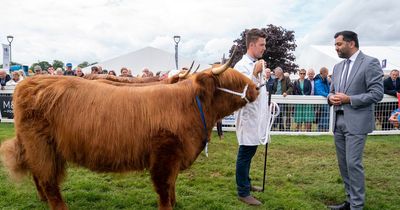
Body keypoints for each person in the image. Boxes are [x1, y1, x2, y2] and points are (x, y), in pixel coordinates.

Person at [327, 31, 384, 210]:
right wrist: (330, 98)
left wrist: (349, 99)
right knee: (344, 165)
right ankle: (349, 200)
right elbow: (331, 91)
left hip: (357, 122)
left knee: (353, 163)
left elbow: (377, 94)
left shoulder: (370, 63)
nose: (336, 48)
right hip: (339, 122)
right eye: (335, 45)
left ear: (351, 43)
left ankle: (357, 206)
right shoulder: (337, 67)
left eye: (339, 44)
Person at [233, 28, 268, 206]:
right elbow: (241, 93)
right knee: (245, 153)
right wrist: (254, 73)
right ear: (252, 45)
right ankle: (243, 191)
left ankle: (246, 182)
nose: (264, 48)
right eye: (261, 45)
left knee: (251, 151)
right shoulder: (240, 66)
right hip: (247, 116)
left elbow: (259, 88)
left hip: (257, 116)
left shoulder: (257, 62)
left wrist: (263, 76)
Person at [272, 67, 293, 131]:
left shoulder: (286, 79)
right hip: (276, 99)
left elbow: (291, 87)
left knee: (281, 112)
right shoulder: (275, 80)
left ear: (280, 72)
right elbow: (273, 89)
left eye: (275, 72)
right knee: (277, 113)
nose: (275, 73)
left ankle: (282, 128)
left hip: (284, 99)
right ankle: (279, 127)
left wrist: (286, 93)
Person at [314, 67, 331, 131]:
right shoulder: (318, 81)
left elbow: (329, 89)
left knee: (326, 114)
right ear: (323, 73)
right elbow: (319, 92)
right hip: (321, 101)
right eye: (327, 72)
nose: (327, 74)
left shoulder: (326, 80)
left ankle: (324, 128)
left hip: (326, 101)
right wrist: (329, 95)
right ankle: (321, 129)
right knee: (325, 114)